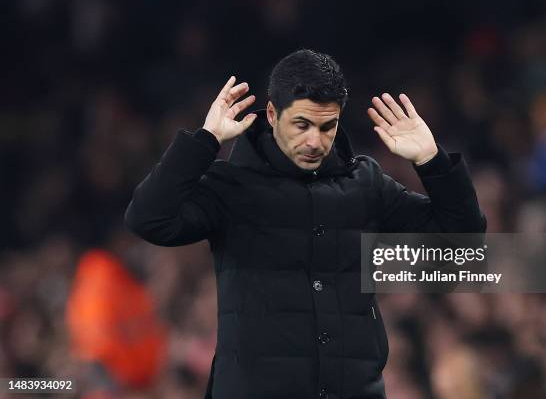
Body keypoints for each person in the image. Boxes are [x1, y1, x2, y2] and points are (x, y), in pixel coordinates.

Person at [125, 49, 486, 399]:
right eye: (302, 124)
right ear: (271, 114)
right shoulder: (232, 187)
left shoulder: (365, 184)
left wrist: (432, 161)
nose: (315, 140)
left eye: (327, 126)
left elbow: (462, 243)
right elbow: (149, 219)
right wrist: (205, 141)